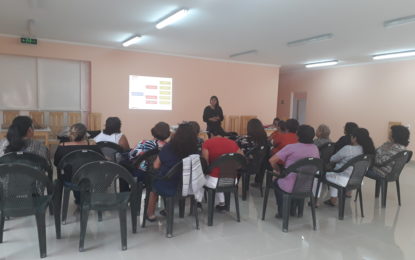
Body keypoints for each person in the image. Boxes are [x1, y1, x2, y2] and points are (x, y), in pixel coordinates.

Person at [146, 123, 198, 221]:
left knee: (154, 186)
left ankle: (150, 214)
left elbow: (156, 166)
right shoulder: (194, 150)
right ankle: (167, 209)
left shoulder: (168, 147)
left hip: (169, 186)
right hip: (188, 186)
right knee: (172, 179)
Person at [268, 125, 320, 218]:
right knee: (294, 181)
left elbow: (272, 160)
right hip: (306, 185)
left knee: (276, 182)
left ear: (298, 135)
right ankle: (294, 210)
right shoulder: (315, 148)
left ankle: (282, 212)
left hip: (289, 185)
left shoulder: (291, 147)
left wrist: (278, 170)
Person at [324, 128, 375, 206]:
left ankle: (333, 199)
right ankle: (347, 193)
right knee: (338, 172)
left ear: (355, 138)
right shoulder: (367, 151)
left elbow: (333, 159)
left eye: (351, 136)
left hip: (342, 178)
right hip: (357, 179)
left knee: (330, 173)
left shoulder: (348, 148)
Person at [54, 123, 102, 205]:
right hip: (90, 179)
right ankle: (83, 200)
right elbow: (100, 161)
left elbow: (56, 163)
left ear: (70, 133)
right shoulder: (94, 145)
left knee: (73, 173)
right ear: (85, 134)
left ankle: (80, 200)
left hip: (70, 180)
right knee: (83, 173)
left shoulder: (62, 146)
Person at [202, 126, 243, 211]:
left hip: (215, 181)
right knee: (218, 175)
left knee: (201, 179)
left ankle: (197, 203)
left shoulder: (207, 143)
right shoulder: (233, 143)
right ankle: (222, 203)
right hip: (232, 180)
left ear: (212, 134)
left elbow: (205, 163)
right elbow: (241, 159)